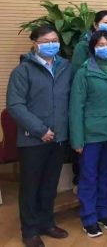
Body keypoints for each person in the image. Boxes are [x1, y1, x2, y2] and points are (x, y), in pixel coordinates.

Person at [7, 25, 71, 247]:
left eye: (54, 40)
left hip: (59, 137)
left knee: (50, 185)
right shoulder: (23, 71)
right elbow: (15, 105)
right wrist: (40, 130)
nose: (51, 44)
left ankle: (47, 223)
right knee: (31, 186)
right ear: (35, 43)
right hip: (33, 139)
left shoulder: (66, 67)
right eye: (45, 41)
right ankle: (30, 230)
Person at [69, 30, 107, 237]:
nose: (105, 48)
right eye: (100, 45)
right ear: (93, 48)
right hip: (91, 134)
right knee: (89, 177)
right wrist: (77, 139)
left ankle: (103, 212)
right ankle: (89, 217)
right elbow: (76, 108)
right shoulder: (84, 72)